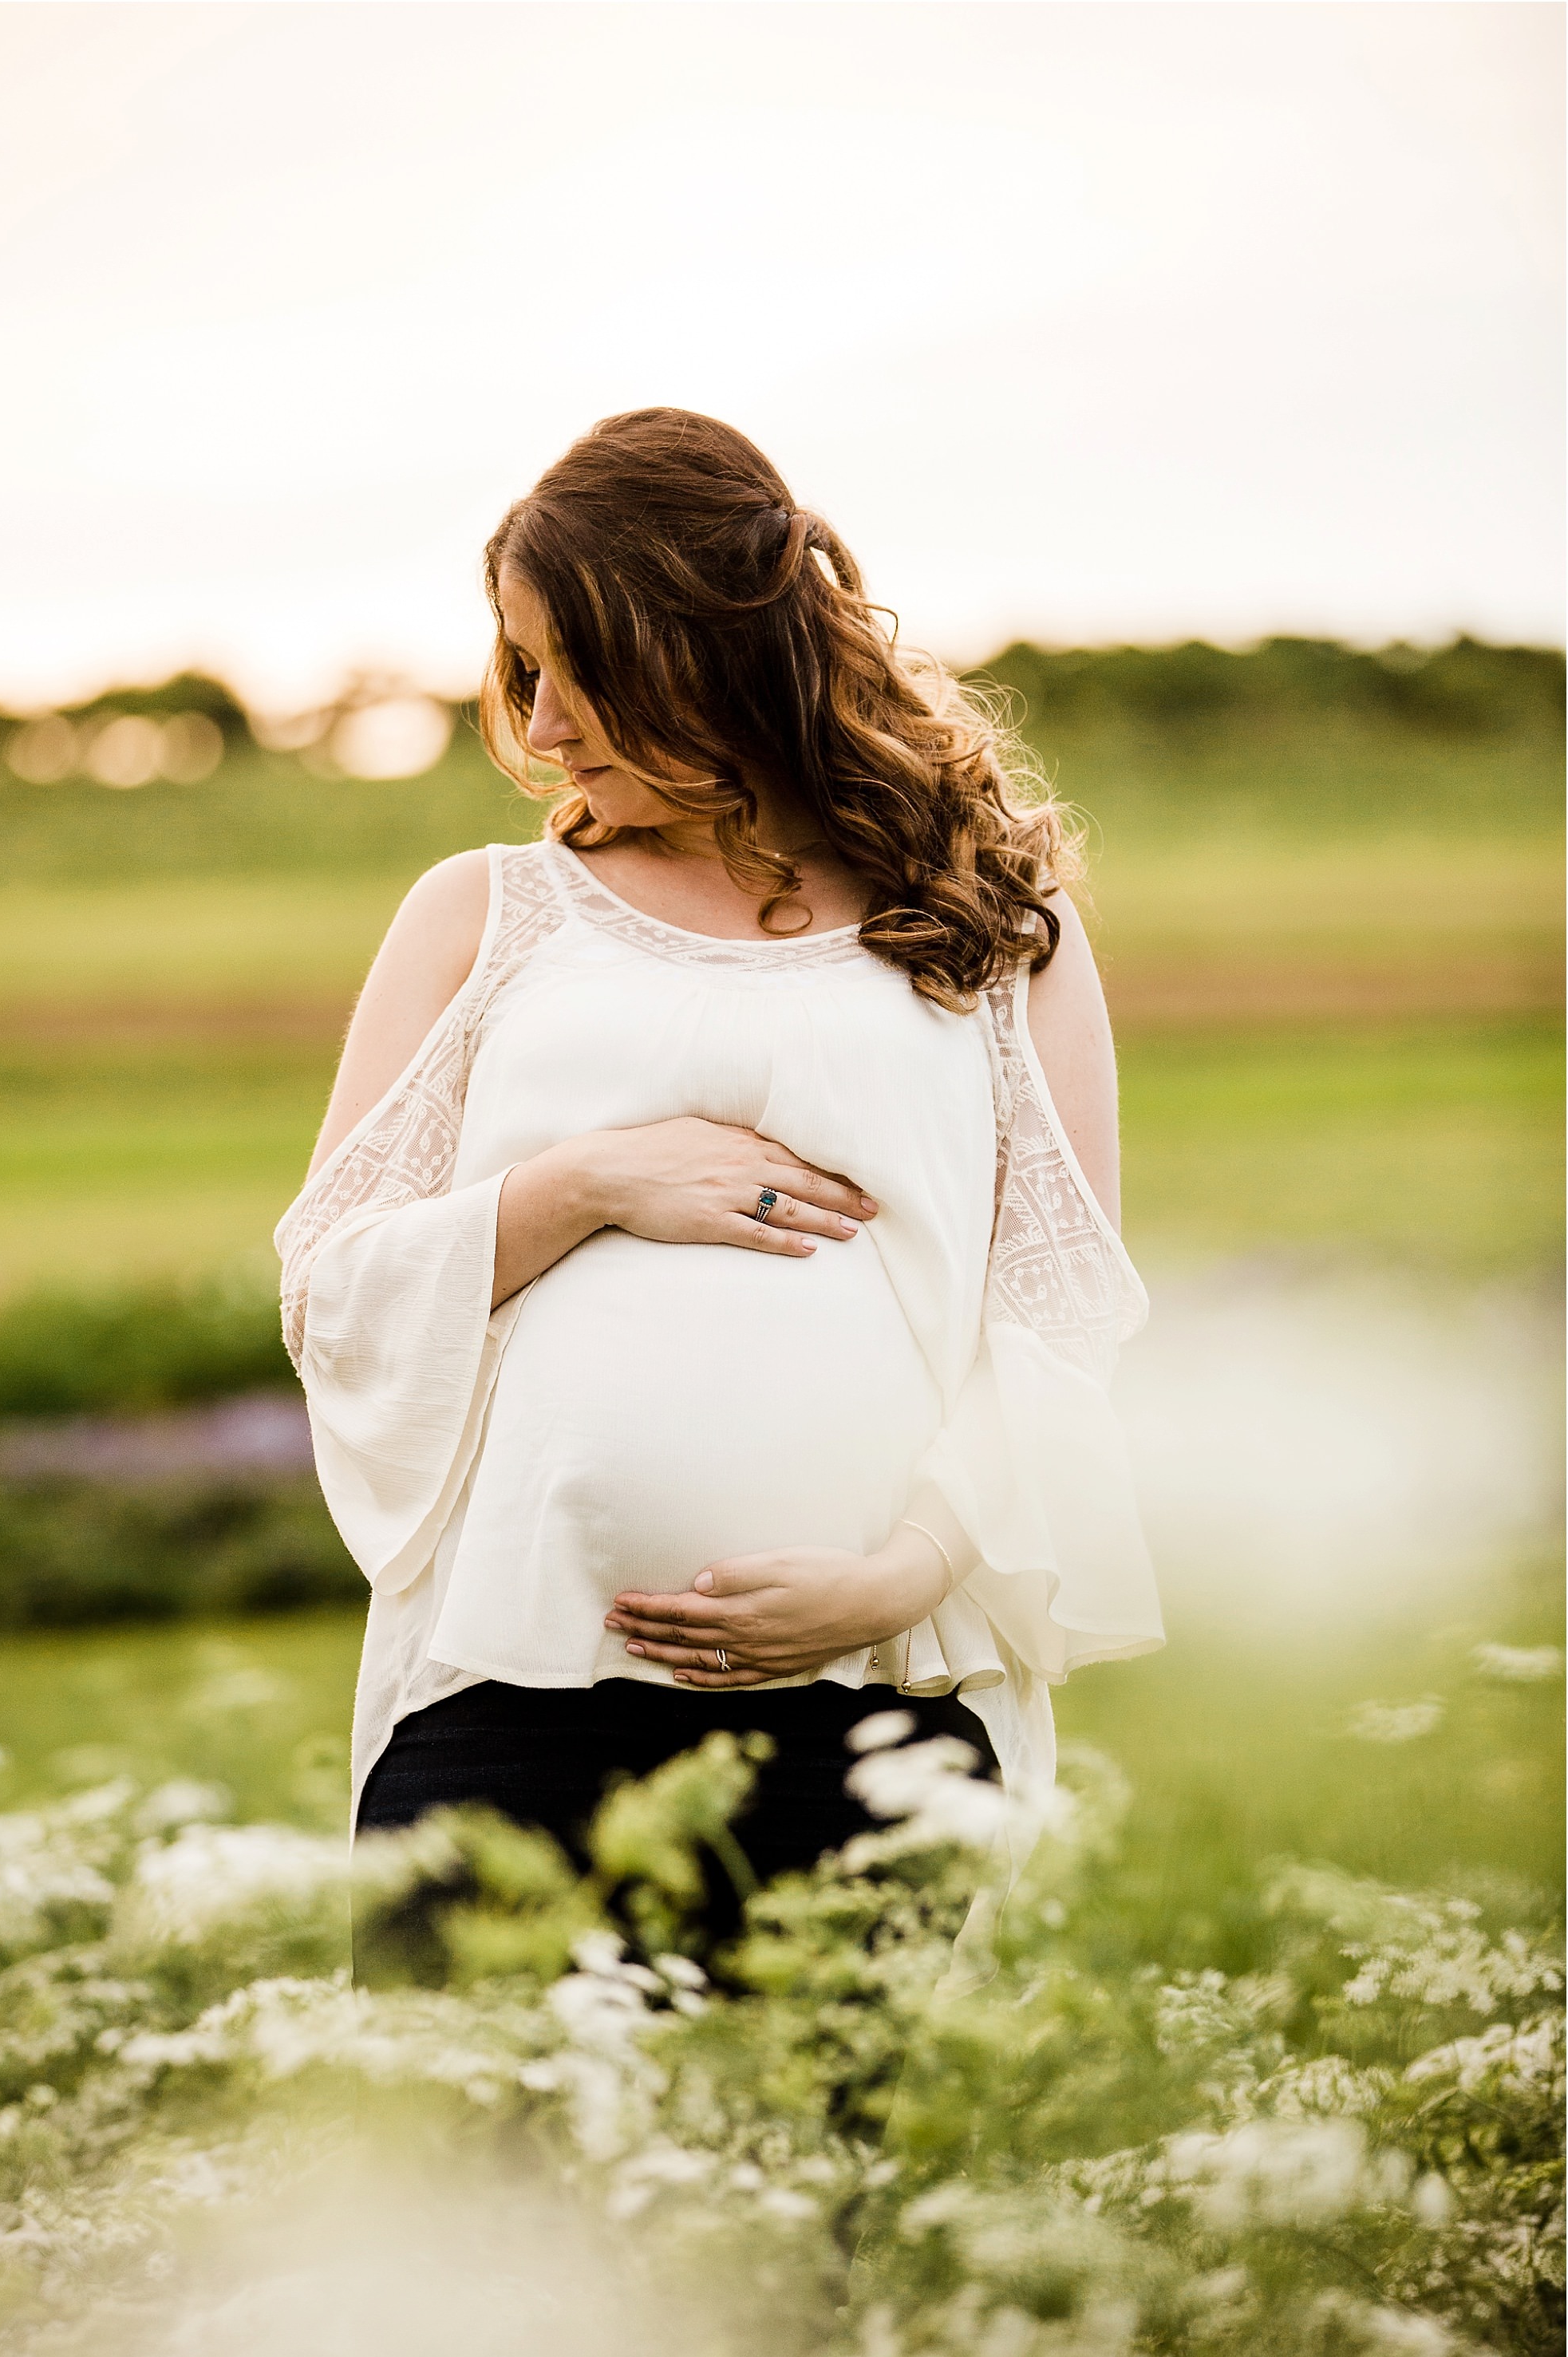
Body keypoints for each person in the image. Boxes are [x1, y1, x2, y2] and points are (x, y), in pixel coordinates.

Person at [274, 407, 1162, 1916]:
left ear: (705, 651)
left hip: (882, 1721)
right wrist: (585, 1184)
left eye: (576, 669)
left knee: (839, 2157)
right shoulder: (483, 916)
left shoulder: (992, 922)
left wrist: (903, 1575)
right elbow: (333, 1292)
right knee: (473, 2156)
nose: (541, 725)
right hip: (506, 1710)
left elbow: (1060, 1319)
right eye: (521, 667)